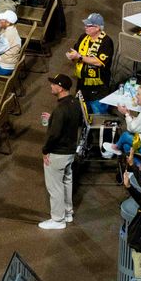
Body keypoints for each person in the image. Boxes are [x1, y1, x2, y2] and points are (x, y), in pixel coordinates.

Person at [41, 74, 84, 230]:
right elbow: (73, 121)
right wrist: (53, 118)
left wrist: (45, 151)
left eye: (53, 84)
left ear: (60, 87)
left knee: (55, 187)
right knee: (66, 181)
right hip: (70, 151)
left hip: (58, 153)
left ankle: (58, 220)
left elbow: (54, 135)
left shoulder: (60, 109)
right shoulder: (74, 103)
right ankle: (68, 212)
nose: (51, 86)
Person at [66, 13, 115, 115]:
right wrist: (72, 56)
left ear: (97, 28)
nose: (85, 27)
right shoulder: (84, 37)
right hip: (82, 83)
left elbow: (99, 62)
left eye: (89, 25)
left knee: (98, 113)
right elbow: (76, 51)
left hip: (98, 86)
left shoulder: (106, 42)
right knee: (82, 110)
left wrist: (79, 57)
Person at [0, 9, 23, 75]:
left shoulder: (8, 35)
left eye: (1, 20)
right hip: (8, 63)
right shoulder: (12, 29)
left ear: (8, 23)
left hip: (3, 68)